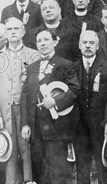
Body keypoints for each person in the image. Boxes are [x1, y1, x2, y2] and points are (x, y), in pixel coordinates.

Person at [21, 30, 79, 184]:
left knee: (58, 172)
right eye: (39, 41)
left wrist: (56, 101)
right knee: (40, 172)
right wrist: (25, 124)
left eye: (46, 39)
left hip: (56, 129)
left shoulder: (65, 64)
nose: (43, 43)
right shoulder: (32, 67)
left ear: (55, 42)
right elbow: (25, 97)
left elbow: (74, 90)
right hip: (36, 129)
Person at [0, 21, 39, 184]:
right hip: (5, 112)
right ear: (5, 34)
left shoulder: (33, 55)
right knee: (9, 151)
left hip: (26, 113)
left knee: (27, 150)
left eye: (17, 28)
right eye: (9, 29)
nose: (13, 32)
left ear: (23, 32)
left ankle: (29, 181)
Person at [74, 30, 107, 184]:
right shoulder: (72, 68)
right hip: (79, 127)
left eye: (91, 43)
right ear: (79, 45)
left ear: (98, 46)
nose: (88, 46)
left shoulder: (105, 67)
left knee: (103, 166)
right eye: (85, 43)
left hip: (100, 126)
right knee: (82, 167)